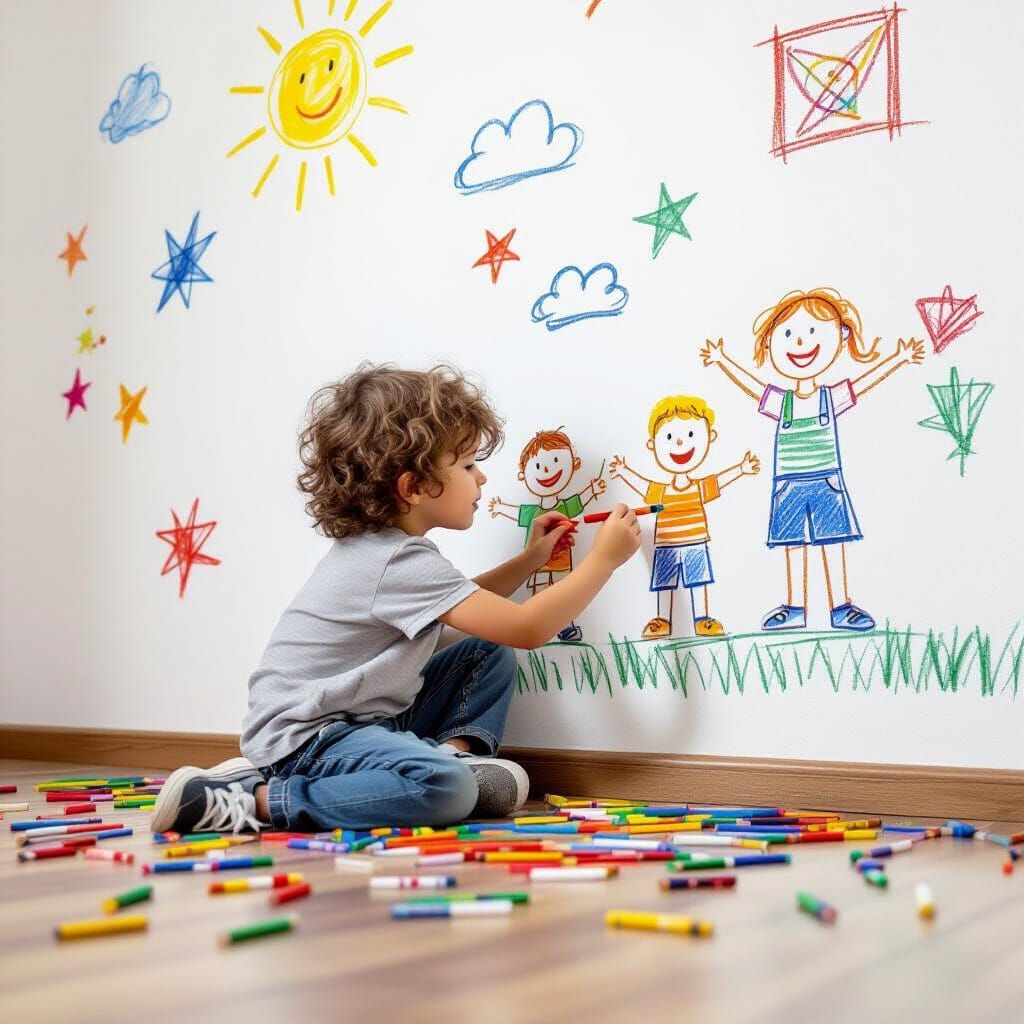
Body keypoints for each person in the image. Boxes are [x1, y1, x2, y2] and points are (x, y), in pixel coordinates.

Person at [151, 364, 641, 835]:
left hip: (354, 718)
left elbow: (473, 610)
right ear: (413, 487)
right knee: (444, 792)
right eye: (469, 465)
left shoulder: (392, 554)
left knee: (485, 651)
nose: (483, 479)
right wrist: (603, 561)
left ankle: (457, 758)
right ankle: (252, 799)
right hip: (304, 741)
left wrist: (531, 559)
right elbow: (529, 628)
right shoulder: (397, 563)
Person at [701, 287, 924, 631]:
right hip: (788, 484)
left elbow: (865, 383)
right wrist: (722, 360)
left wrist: (899, 359)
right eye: (788, 334)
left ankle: (841, 606)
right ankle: (794, 607)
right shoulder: (782, 402)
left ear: (841, 336)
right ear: (770, 343)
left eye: (813, 333)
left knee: (833, 542)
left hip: (826, 482)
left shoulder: (829, 398)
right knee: (793, 545)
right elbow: (751, 386)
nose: (801, 343)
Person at [609, 395, 759, 639]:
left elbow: (719, 482)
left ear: (709, 437)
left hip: (696, 544)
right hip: (666, 545)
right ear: (652, 445)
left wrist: (741, 470)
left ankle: (702, 619)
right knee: (664, 584)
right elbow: (643, 486)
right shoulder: (662, 491)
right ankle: (662, 620)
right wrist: (625, 472)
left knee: (697, 582)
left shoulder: (699, 487)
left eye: (690, 435)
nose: (679, 442)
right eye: (668, 437)